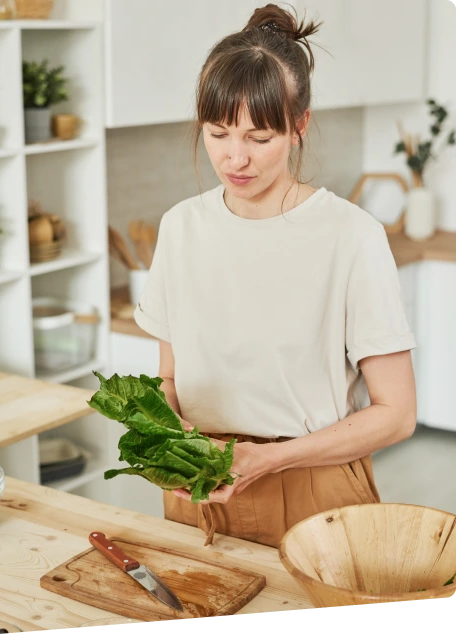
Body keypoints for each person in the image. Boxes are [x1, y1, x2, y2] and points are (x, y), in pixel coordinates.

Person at [134, 3, 417, 548]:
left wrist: (270, 459)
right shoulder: (180, 228)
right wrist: (176, 439)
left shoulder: (351, 236)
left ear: (299, 126)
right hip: (199, 486)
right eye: (218, 133)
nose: (234, 158)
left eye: (259, 138)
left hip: (310, 484)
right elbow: (169, 380)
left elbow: (397, 414)